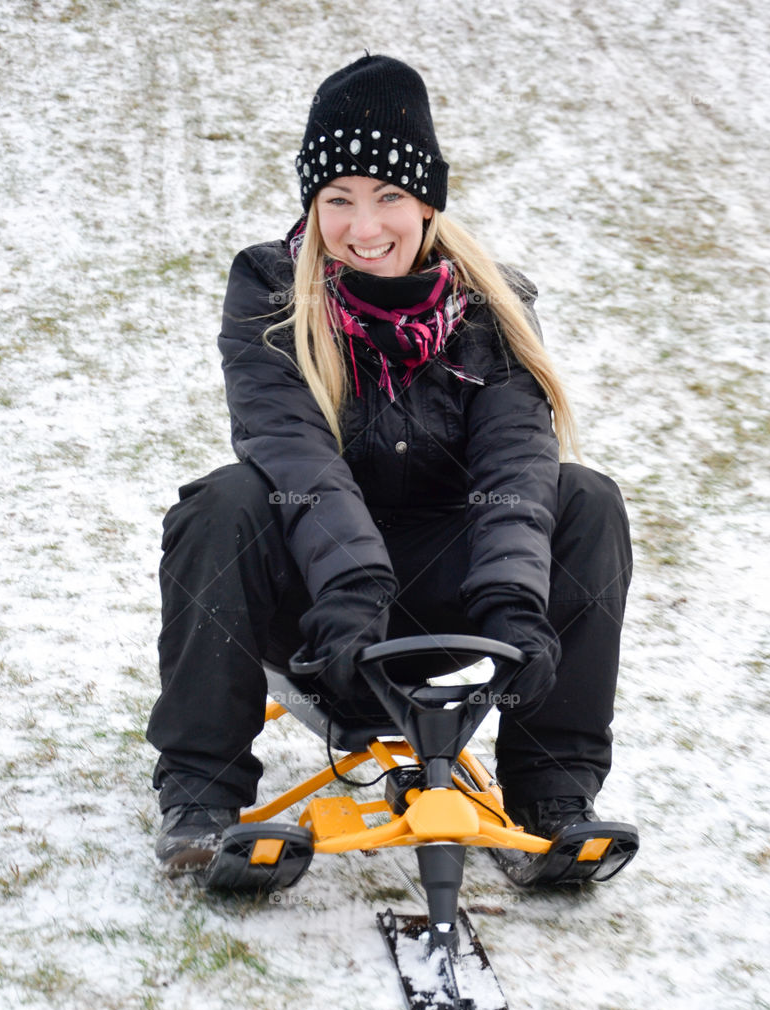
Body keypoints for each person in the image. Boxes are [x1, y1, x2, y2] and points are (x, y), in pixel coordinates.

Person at [145, 53, 634, 886]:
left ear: (426, 201)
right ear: (312, 203)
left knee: (585, 497)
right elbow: (294, 453)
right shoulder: (269, 291)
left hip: (454, 586)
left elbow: (516, 463)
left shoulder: (491, 305)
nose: (362, 226)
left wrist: (515, 605)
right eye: (337, 199)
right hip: (316, 597)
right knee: (222, 503)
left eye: (388, 198)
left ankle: (552, 794)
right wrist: (350, 593)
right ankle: (200, 798)